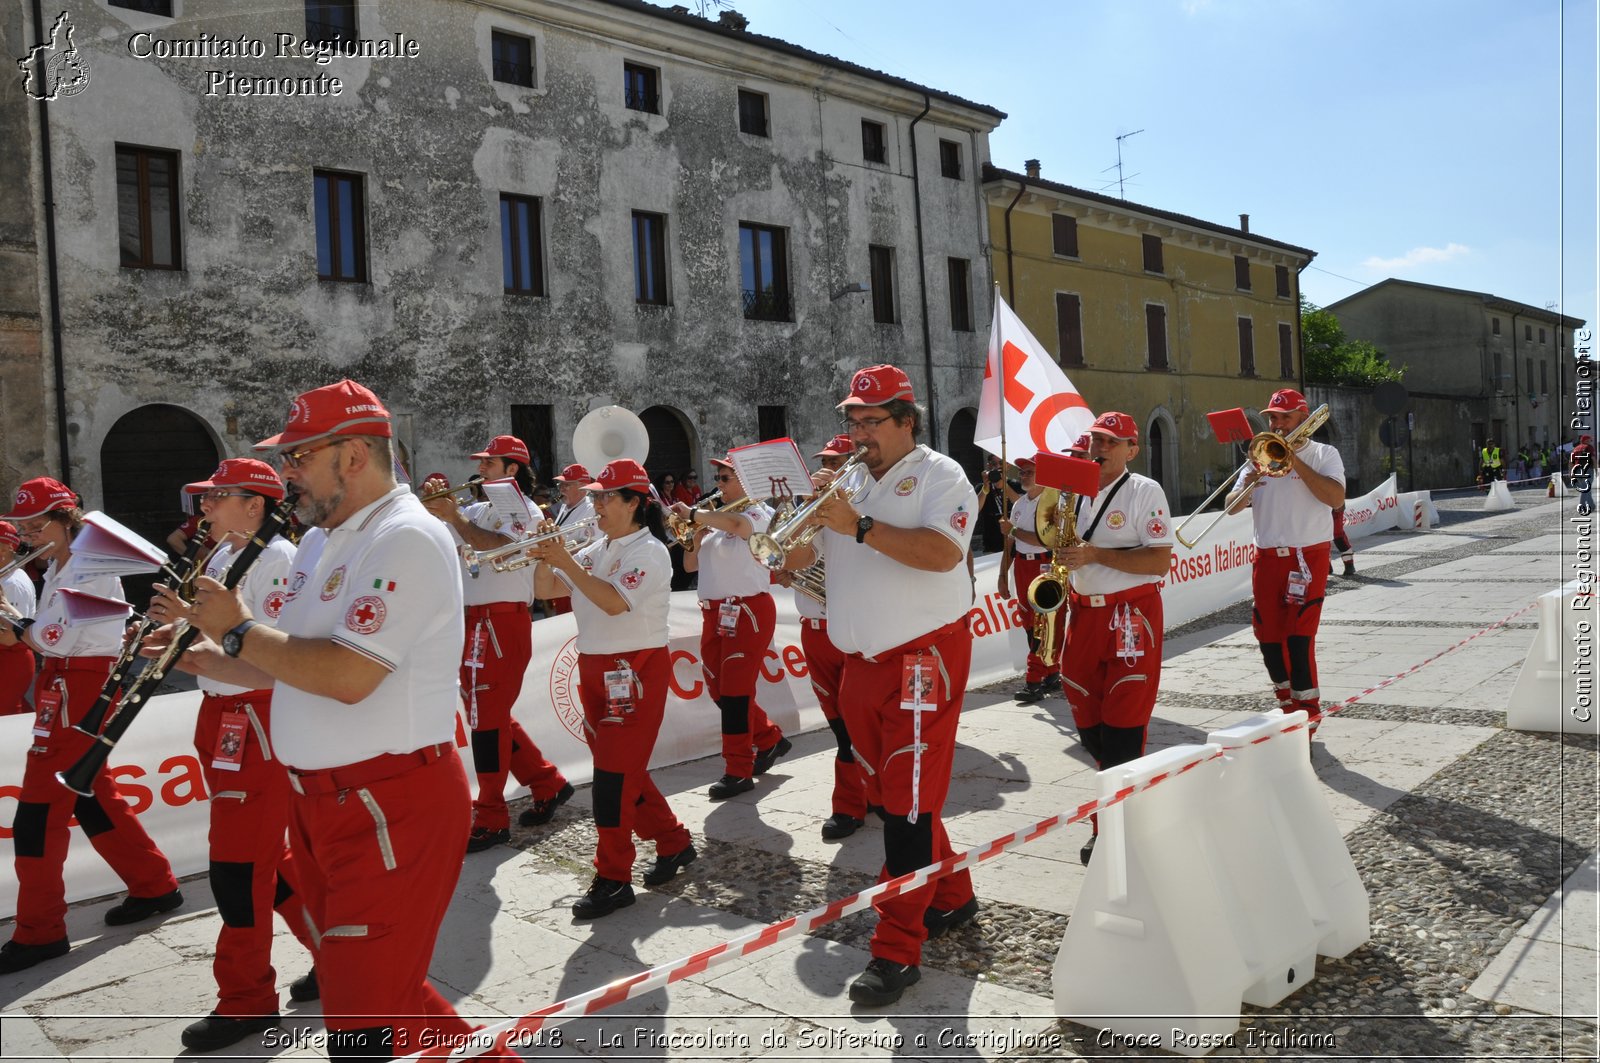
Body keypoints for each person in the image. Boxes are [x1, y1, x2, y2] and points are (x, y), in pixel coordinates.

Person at [172, 380, 475, 1058]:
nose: (288, 474)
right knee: (372, 988)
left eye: (300, 456)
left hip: (388, 803)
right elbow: (287, 663)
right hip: (322, 805)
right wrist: (203, 656)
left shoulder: (408, 537)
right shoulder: (319, 542)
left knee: (358, 1032)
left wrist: (240, 628)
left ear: (352, 456)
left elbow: (346, 675)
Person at [785, 364, 979, 1007]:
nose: (860, 432)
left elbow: (943, 554)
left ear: (906, 421)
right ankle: (952, 895)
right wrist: (807, 523)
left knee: (907, 801)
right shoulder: (845, 482)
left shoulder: (940, 475)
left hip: (923, 659)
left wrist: (858, 525)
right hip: (861, 664)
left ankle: (898, 950)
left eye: (873, 421)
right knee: (895, 789)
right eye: (854, 420)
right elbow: (793, 562)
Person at [148, 460, 317, 1052]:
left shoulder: (277, 563)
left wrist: (193, 641)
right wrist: (170, 639)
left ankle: (246, 998)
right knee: (269, 857)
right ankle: (331, 951)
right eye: (205, 497)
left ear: (255, 506)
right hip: (221, 714)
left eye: (218, 498)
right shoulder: (219, 559)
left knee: (238, 867)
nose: (205, 508)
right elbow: (210, 642)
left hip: (255, 719)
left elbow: (266, 662)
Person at [0, 477, 182, 975]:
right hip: (67, 682)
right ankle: (155, 885)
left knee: (36, 815)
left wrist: (12, 620)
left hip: (81, 683)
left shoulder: (89, 563)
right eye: (24, 526)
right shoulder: (63, 563)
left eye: (38, 524)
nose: (30, 535)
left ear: (66, 517)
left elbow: (52, 638)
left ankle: (40, 932)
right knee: (93, 795)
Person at [530, 459, 696, 918]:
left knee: (611, 778)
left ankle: (613, 876)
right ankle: (674, 841)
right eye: (596, 496)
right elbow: (546, 589)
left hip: (635, 667)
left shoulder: (650, 551)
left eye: (606, 496)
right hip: (594, 664)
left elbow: (612, 602)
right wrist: (546, 553)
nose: (595, 503)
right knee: (620, 768)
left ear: (635, 503)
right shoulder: (595, 546)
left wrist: (564, 558)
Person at [420, 435, 572, 851]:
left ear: (512, 470)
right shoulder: (478, 507)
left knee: (486, 720)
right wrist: (434, 513)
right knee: (488, 713)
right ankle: (546, 783)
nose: (481, 468)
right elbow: (446, 541)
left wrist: (456, 518)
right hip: (476, 622)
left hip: (500, 623)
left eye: (490, 463)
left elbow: (504, 549)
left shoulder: (521, 509)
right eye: (482, 463)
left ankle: (491, 816)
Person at [1056, 414, 1175, 864]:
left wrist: (1095, 554)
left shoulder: (1146, 490)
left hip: (1131, 616)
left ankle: (1110, 830)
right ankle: (1129, 801)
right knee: (1087, 718)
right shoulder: (1073, 489)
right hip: (1084, 617)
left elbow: (1159, 561)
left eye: (1110, 441)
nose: (1099, 447)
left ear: (1131, 449)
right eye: (1095, 440)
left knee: (1123, 724)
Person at [1227, 388, 1345, 739]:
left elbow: (1336, 498)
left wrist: (1294, 461)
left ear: (1304, 420)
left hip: (1307, 556)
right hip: (1266, 557)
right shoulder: (1259, 457)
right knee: (1267, 638)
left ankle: (1308, 716)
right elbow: (1231, 507)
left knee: (1299, 637)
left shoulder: (1325, 453)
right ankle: (1287, 705)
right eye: (1273, 418)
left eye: (1285, 418)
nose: (1277, 425)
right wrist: (1248, 483)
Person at [672, 457, 790, 800]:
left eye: (725, 478)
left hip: (748, 611)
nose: (718, 484)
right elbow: (690, 564)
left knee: (736, 692)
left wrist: (696, 516)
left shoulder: (758, 514)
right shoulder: (714, 522)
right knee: (718, 689)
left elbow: (739, 525)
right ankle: (769, 739)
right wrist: (695, 534)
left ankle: (737, 769)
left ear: (745, 482)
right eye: (719, 478)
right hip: (714, 613)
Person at [785, 434, 869, 839]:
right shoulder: (817, 509)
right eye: (824, 463)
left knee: (851, 726)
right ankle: (870, 793)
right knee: (840, 723)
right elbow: (798, 555)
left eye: (836, 463)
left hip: (851, 628)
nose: (829, 469)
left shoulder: (863, 503)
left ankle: (850, 803)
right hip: (815, 631)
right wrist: (806, 508)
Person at [998, 457, 1064, 704]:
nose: (1023, 475)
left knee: (1042, 622)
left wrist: (1012, 530)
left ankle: (1034, 680)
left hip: (1044, 563)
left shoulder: (1051, 503)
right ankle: (1051, 672)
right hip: (1023, 566)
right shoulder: (1019, 505)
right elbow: (1010, 545)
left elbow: (1044, 540)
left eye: (1029, 472)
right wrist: (1003, 575)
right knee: (1029, 621)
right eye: (1022, 472)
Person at [0, 520, 39, 715]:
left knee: (7, 716)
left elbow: (11, 635)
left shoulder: (13, 583)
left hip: (11, 658)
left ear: (6, 548)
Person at [1572, 434, 1595, 513]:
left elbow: (1571, 461)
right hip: (1587, 469)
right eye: (1589, 440)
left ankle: (1592, 505)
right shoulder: (1589, 447)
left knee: (1586, 488)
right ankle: (1582, 506)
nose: (1590, 442)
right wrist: (1596, 469)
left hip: (1577, 470)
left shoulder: (1576, 448)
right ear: (1585, 440)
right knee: (1586, 489)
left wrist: (1570, 471)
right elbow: (1593, 458)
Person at [1331, 506, 1356, 577]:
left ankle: (1349, 563)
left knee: (1338, 535)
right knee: (1321, 537)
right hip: (1319, 507)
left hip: (1335, 504)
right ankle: (1326, 565)